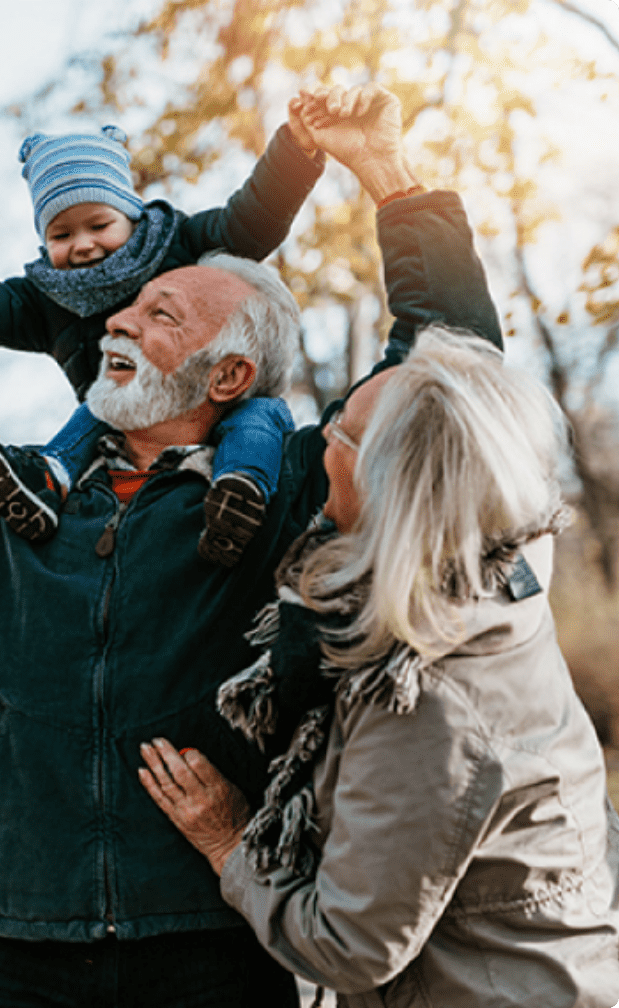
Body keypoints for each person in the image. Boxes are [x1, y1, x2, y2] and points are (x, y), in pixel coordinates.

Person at [0, 84, 500, 1006]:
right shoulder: (18, 495)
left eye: (161, 316)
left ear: (230, 374)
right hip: (18, 931)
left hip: (213, 933)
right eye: (124, 312)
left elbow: (449, 367)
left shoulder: (292, 490)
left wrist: (389, 174)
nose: (113, 319)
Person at [137, 326, 619, 1006]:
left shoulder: (426, 695)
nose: (322, 437)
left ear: (388, 485)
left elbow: (348, 946)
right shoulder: (496, 579)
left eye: (340, 432)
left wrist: (230, 842)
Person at [0, 107, 327, 566]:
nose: (82, 244)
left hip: (216, 397)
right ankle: (44, 483)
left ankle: (240, 490)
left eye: (100, 225)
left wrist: (295, 152)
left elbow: (252, 220)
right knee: (95, 409)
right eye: (60, 235)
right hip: (124, 425)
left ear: (131, 214)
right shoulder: (49, 299)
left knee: (261, 416)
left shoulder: (179, 246)